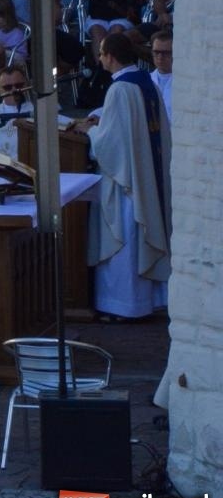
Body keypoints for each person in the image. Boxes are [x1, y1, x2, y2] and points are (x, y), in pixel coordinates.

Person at [82, 33, 171, 321]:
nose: (99, 59)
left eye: (102, 53)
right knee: (141, 235)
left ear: (111, 56)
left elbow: (112, 144)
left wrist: (90, 131)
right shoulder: (147, 82)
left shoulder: (120, 89)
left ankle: (124, 306)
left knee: (125, 239)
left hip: (126, 183)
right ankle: (152, 300)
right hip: (148, 174)